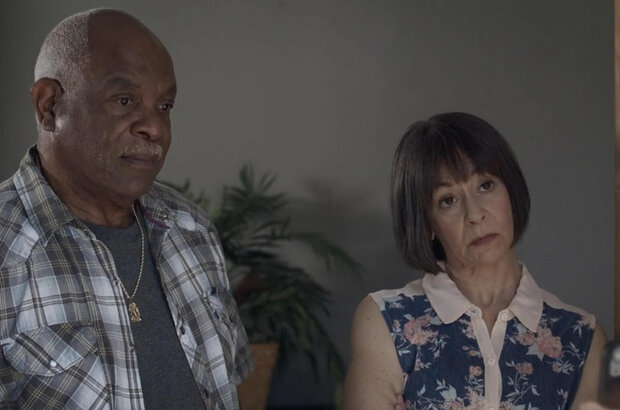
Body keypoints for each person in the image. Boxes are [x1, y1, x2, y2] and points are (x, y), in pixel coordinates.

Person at [0, 9, 253, 409]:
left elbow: (230, 389)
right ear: (49, 106)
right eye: (124, 100)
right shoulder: (6, 249)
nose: (155, 128)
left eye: (164, 106)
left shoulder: (190, 229)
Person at [343, 112, 606, 409]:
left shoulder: (581, 336)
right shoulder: (385, 319)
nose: (475, 215)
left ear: (511, 190)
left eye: (485, 186)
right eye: (448, 200)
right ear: (427, 224)